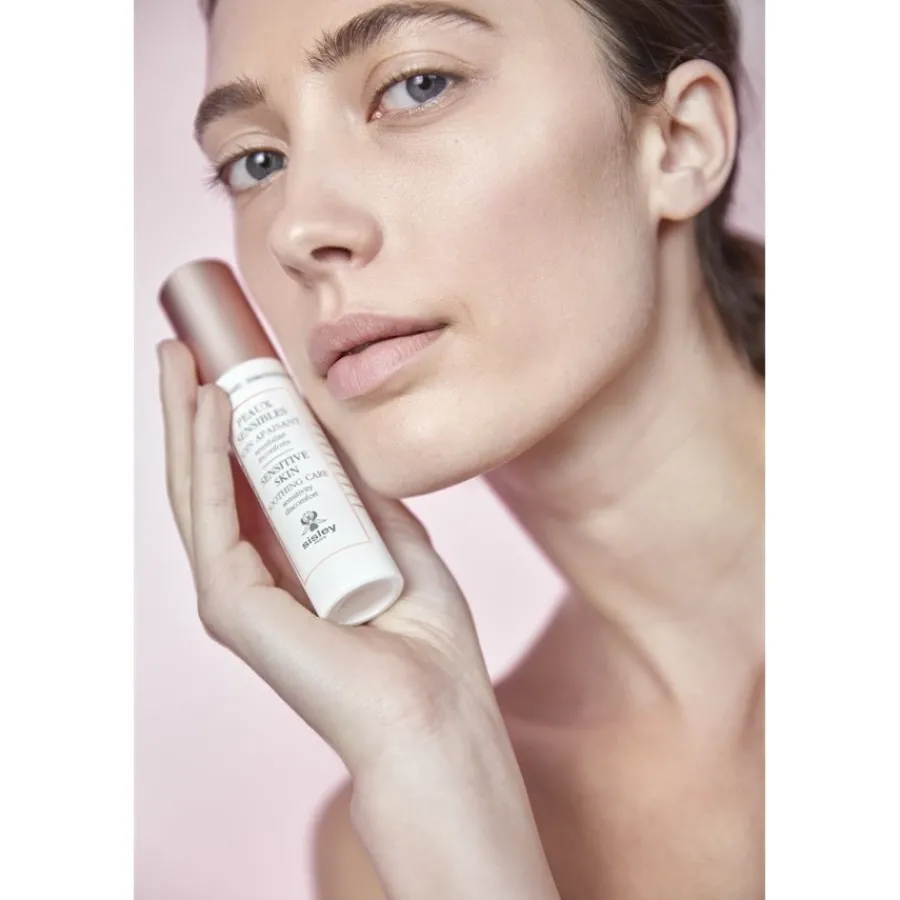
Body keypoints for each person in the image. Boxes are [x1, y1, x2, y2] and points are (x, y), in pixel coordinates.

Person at [156, 0, 764, 896]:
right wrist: (437, 771)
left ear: (679, 141)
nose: (297, 230)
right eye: (258, 161)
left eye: (417, 85)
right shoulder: (396, 835)